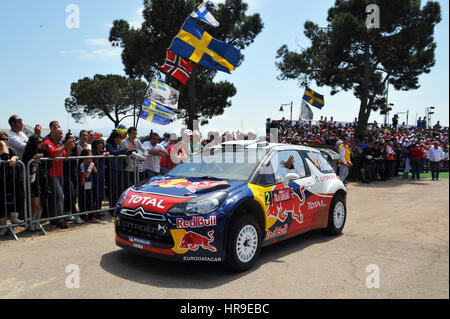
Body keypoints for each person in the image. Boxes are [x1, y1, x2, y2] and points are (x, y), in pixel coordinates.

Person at [43, 126, 76, 228]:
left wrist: (69, 147)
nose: (61, 135)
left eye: (61, 133)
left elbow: (66, 158)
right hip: (51, 174)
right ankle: (60, 219)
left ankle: (55, 218)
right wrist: (64, 146)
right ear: (52, 133)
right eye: (59, 133)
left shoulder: (59, 144)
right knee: (60, 196)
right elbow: (53, 153)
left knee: (56, 197)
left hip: (59, 173)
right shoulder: (47, 142)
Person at [0, 133, 24, 235]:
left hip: (9, 179)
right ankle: (3, 225)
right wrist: (3, 144)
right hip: (0, 180)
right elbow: (5, 157)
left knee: (19, 193)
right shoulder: (5, 148)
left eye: (6, 139)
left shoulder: (10, 148)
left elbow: (16, 156)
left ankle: (14, 219)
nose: (5, 141)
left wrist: (14, 157)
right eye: (2, 139)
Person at [22, 135, 47, 231]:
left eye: (42, 142)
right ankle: (31, 222)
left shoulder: (42, 153)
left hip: (42, 179)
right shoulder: (27, 154)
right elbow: (25, 164)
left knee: (41, 203)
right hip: (32, 181)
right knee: (35, 204)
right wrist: (33, 159)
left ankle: (37, 222)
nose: (41, 144)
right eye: (39, 142)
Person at [105, 130, 132, 207]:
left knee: (120, 188)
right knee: (113, 188)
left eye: (119, 138)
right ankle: (112, 206)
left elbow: (125, 153)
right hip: (112, 169)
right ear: (113, 138)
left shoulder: (120, 146)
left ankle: (118, 205)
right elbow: (113, 152)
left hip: (120, 169)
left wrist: (130, 150)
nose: (118, 139)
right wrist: (124, 150)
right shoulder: (109, 145)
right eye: (116, 138)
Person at [78, 149, 99, 222]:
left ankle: (90, 215)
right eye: (89, 155)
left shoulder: (90, 163)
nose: (91, 157)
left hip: (90, 184)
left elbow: (95, 171)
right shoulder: (82, 165)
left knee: (91, 200)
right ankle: (85, 216)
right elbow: (86, 175)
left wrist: (92, 165)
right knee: (85, 200)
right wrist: (90, 166)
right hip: (84, 184)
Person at [91, 138, 109, 213]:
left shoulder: (101, 151)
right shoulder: (93, 152)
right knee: (96, 195)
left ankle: (98, 210)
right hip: (95, 176)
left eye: (101, 143)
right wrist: (102, 155)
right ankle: (95, 211)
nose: (101, 145)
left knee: (101, 195)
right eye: (99, 143)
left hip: (101, 176)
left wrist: (106, 153)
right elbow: (93, 161)